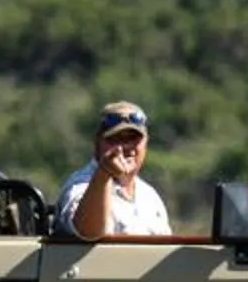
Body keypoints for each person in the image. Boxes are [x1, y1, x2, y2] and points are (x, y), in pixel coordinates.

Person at [56, 100, 170, 238]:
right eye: (115, 138)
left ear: (146, 142)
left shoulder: (149, 196)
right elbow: (87, 232)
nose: (125, 146)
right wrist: (104, 173)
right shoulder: (80, 185)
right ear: (97, 142)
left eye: (134, 138)